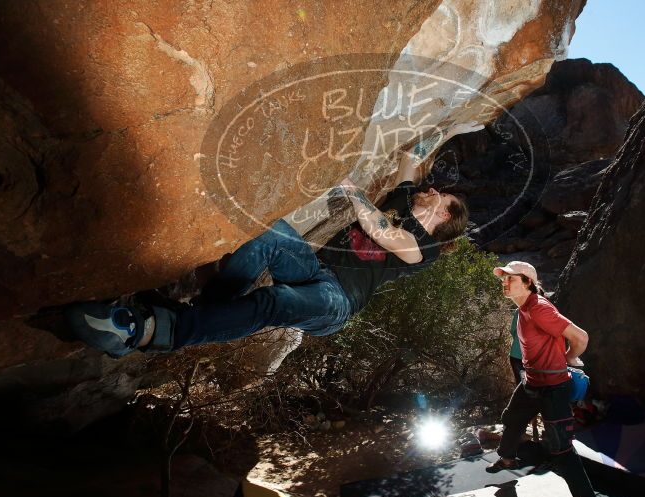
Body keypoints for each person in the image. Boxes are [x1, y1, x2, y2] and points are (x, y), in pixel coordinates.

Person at [65, 122, 482, 357]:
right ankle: (205, 313)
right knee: (269, 233)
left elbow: (379, 231)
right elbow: (411, 164)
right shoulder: (408, 200)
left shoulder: (421, 251)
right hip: (315, 268)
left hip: (337, 303)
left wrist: (350, 186)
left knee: (275, 303)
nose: (431, 190)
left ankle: (147, 330)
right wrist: (439, 126)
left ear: (444, 216)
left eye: (439, 196)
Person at [488, 261, 600, 497]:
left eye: (510, 278)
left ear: (526, 282)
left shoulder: (539, 309)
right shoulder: (525, 307)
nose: (504, 282)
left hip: (553, 389)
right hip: (533, 382)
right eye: (503, 277)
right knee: (512, 418)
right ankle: (507, 458)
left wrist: (569, 357)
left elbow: (580, 337)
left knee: (562, 452)